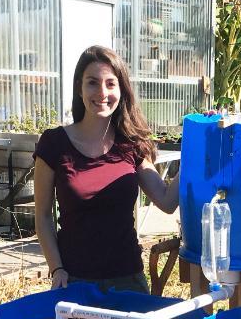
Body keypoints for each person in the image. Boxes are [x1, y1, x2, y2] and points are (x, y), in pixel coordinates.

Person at [33, 46, 178, 293]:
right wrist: (57, 269)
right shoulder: (54, 144)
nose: (102, 92)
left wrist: (199, 147)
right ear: (79, 88)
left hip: (128, 281)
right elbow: (43, 217)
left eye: (111, 84)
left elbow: (167, 201)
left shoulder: (131, 145)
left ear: (121, 91)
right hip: (75, 281)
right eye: (92, 83)